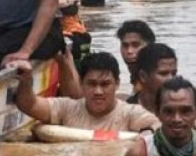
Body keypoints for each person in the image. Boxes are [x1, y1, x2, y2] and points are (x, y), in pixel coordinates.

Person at [13, 53, 160, 132]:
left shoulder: (130, 113)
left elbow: (157, 126)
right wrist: (26, 81)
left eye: (105, 84)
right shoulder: (67, 108)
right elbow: (29, 104)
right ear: (81, 84)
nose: (98, 91)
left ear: (117, 84)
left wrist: (147, 134)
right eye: (91, 84)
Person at [128, 43, 177, 113]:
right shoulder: (127, 112)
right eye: (163, 74)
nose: (171, 79)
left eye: (174, 74)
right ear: (143, 76)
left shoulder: (183, 108)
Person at [116, 20, 156, 92]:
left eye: (135, 45)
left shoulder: (155, 82)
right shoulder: (137, 78)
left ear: (150, 46)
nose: (129, 51)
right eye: (125, 45)